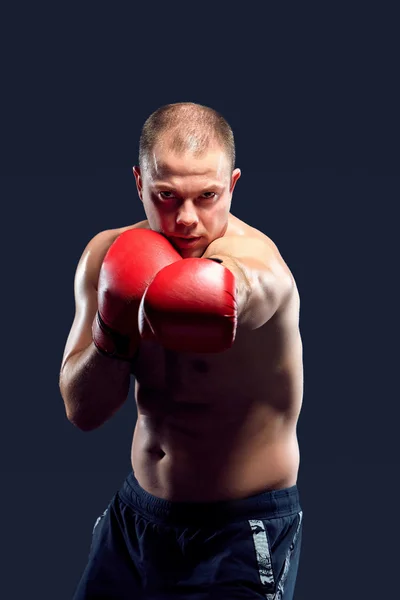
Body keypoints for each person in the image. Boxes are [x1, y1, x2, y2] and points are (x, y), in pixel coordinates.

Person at [60, 102, 304, 599]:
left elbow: (246, 289)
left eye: (207, 196)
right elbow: (81, 410)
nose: (186, 219)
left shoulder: (262, 265)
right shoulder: (107, 257)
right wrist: (113, 326)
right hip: (137, 518)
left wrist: (219, 291)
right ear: (138, 183)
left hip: (237, 530)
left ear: (232, 185)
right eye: (166, 196)